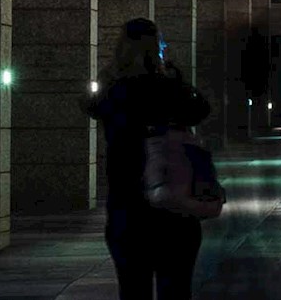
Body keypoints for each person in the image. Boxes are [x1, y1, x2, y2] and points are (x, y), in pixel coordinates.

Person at [82, 18, 210, 300]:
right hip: (174, 203)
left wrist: (109, 73)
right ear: (157, 48)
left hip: (128, 208)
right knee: (176, 289)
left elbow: (89, 105)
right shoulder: (171, 87)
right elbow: (201, 109)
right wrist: (175, 75)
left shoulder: (114, 91)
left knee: (132, 289)